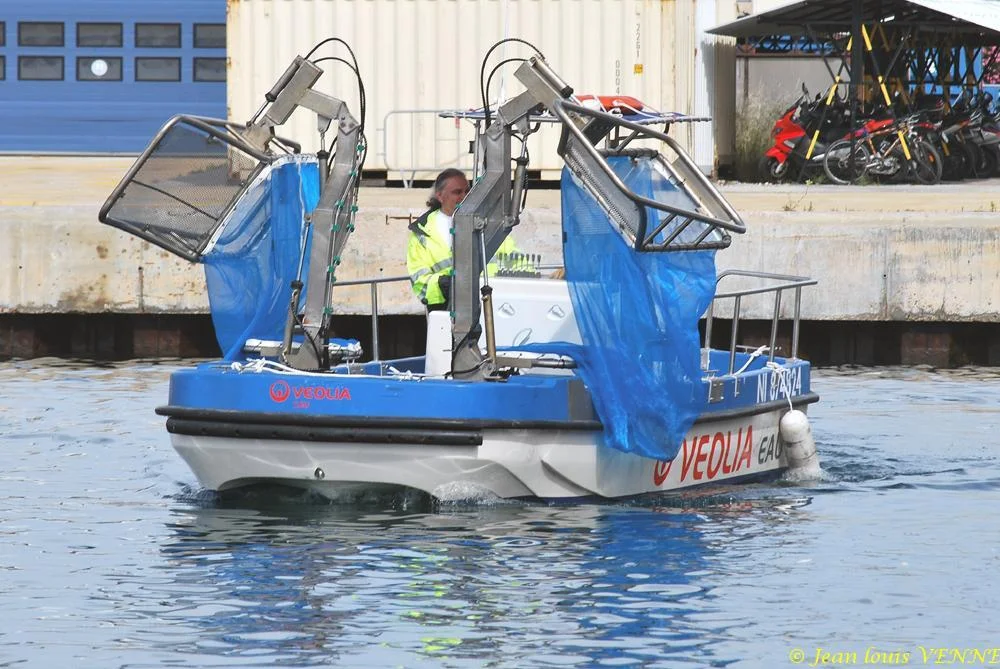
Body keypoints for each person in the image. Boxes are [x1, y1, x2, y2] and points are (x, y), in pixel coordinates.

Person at [406, 169, 521, 311]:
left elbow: (517, 260)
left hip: (494, 304)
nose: (464, 196)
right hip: (447, 310)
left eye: (467, 191)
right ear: (440, 196)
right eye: (457, 192)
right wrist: (447, 284)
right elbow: (420, 283)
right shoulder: (422, 233)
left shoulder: (488, 225)